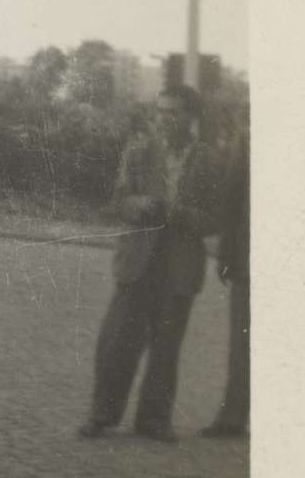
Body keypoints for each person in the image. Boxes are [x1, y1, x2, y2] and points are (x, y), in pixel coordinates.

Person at [78, 84, 223, 443]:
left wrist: (185, 215)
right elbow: (118, 200)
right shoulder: (140, 152)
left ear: (190, 117)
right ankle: (102, 414)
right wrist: (139, 205)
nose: (164, 119)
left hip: (179, 265)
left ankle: (154, 420)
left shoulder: (208, 160)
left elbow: (217, 218)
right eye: (161, 111)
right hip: (138, 260)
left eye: (173, 113)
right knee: (117, 342)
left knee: (166, 347)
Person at [201, 119, 250, 437]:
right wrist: (226, 254)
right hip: (252, 258)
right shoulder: (248, 135)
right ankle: (232, 418)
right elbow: (231, 200)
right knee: (243, 342)